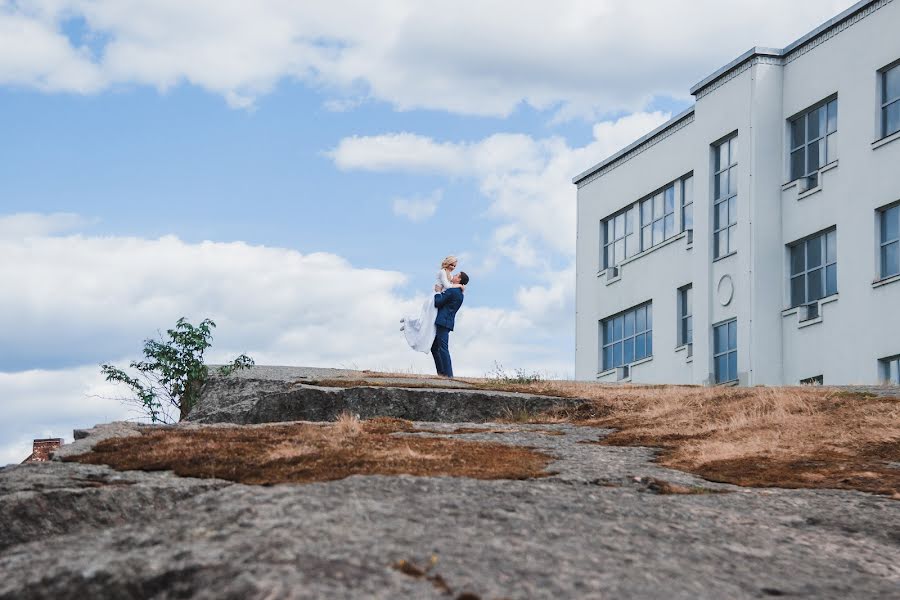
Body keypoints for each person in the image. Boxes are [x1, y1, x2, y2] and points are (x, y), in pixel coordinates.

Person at [400, 256, 464, 353]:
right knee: (426, 320)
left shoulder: (450, 274)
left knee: (428, 322)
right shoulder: (442, 272)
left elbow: (449, 287)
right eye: (451, 265)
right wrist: (459, 285)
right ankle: (408, 321)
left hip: (440, 296)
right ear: (447, 263)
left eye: (455, 266)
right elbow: (447, 286)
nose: (453, 267)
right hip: (434, 298)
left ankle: (408, 324)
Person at [431, 271, 468, 377]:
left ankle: (448, 375)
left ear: (459, 280)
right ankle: (442, 373)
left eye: (456, 275)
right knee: (435, 347)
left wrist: (438, 292)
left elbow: (438, 302)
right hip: (447, 321)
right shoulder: (460, 294)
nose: (454, 275)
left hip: (443, 321)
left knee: (442, 348)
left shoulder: (452, 291)